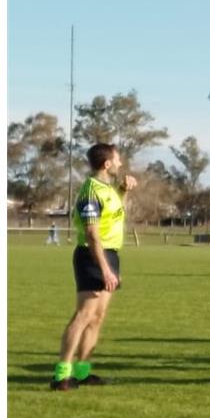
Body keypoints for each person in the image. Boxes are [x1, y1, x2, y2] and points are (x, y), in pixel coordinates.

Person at [51, 144, 136, 391]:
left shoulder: (107, 189)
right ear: (107, 164)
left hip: (109, 254)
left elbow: (114, 213)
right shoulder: (90, 191)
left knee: (97, 318)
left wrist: (123, 190)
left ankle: (83, 371)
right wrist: (105, 269)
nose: (121, 164)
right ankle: (61, 375)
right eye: (118, 160)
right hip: (93, 256)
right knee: (83, 315)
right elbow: (91, 233)